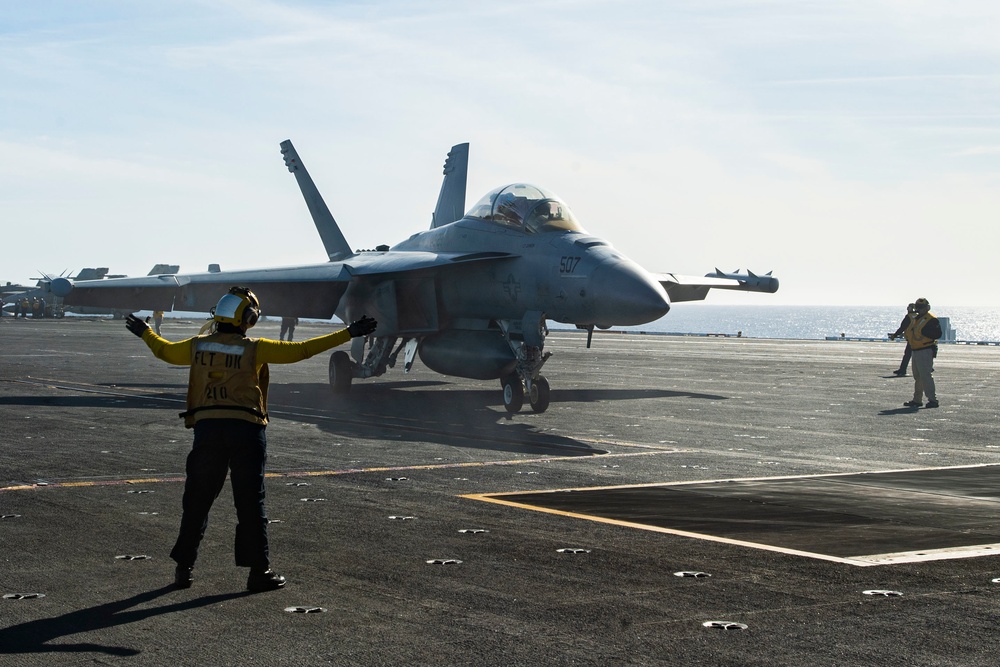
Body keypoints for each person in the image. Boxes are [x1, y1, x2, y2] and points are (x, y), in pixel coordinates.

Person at [124, 286, 377, 592]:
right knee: (250, 503)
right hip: (245, 431)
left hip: (208, 430)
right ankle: (259, 572)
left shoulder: (197, 346)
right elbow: (302, 350)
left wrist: (145, 332)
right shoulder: (255, 348)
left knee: (197, 502)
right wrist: (348, 332)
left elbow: (164, 350)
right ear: (249, 318)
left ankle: (184, 569)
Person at [902, 297, 941, 409]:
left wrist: (925, 332)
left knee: (926, 376)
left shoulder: (931, 319)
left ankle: (933, 400)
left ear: (927, 308)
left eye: (921, 308)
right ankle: (917, 399)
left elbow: (937, 334)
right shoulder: (916, 318)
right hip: (916, 350)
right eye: (918, 307)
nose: (919, 310)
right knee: (918, 377)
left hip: (925, 350)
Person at [887, 303, 916, 376]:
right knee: (918, 355)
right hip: (918, 338)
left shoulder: (909, 317)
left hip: (912, 339)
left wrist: (894, 335)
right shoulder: (918, 316)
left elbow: (902, 328)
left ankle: (903, 370)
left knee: (907, 355)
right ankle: (902, 369)